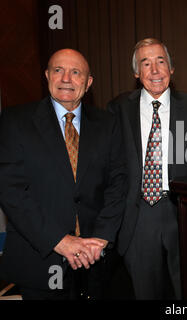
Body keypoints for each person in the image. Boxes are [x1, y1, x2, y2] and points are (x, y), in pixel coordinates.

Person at [0, 49, 127, 300]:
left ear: (88, 83)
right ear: (47, 76)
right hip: (41, 260)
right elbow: (10, 190)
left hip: (96, 261)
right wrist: (59, 240)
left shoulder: (108, 124)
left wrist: (100, 238)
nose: (66, 78)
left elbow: (118, 183)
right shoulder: (15, 121)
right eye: (58, 70)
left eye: (76, 72)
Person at [107, 38, 187, 300]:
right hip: (137, 215)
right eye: (146, 63)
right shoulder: (118, 108)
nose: (154, 70)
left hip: (181, 211)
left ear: (172, 69)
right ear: (136, 73)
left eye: (161, 61)